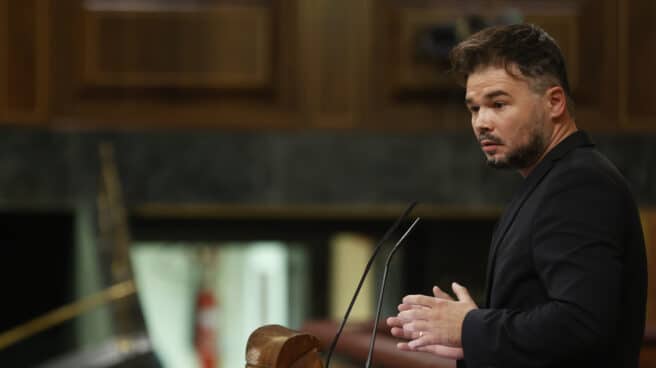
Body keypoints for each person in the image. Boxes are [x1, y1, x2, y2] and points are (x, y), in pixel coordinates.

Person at [386, 23, 647, 367]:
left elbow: (581, 324)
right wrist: (471, 339)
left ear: (554, 102)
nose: (481, 122)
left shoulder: (579, 185)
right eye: (474, 108)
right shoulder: (550, 180)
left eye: (498, 103)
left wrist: (469, 327)